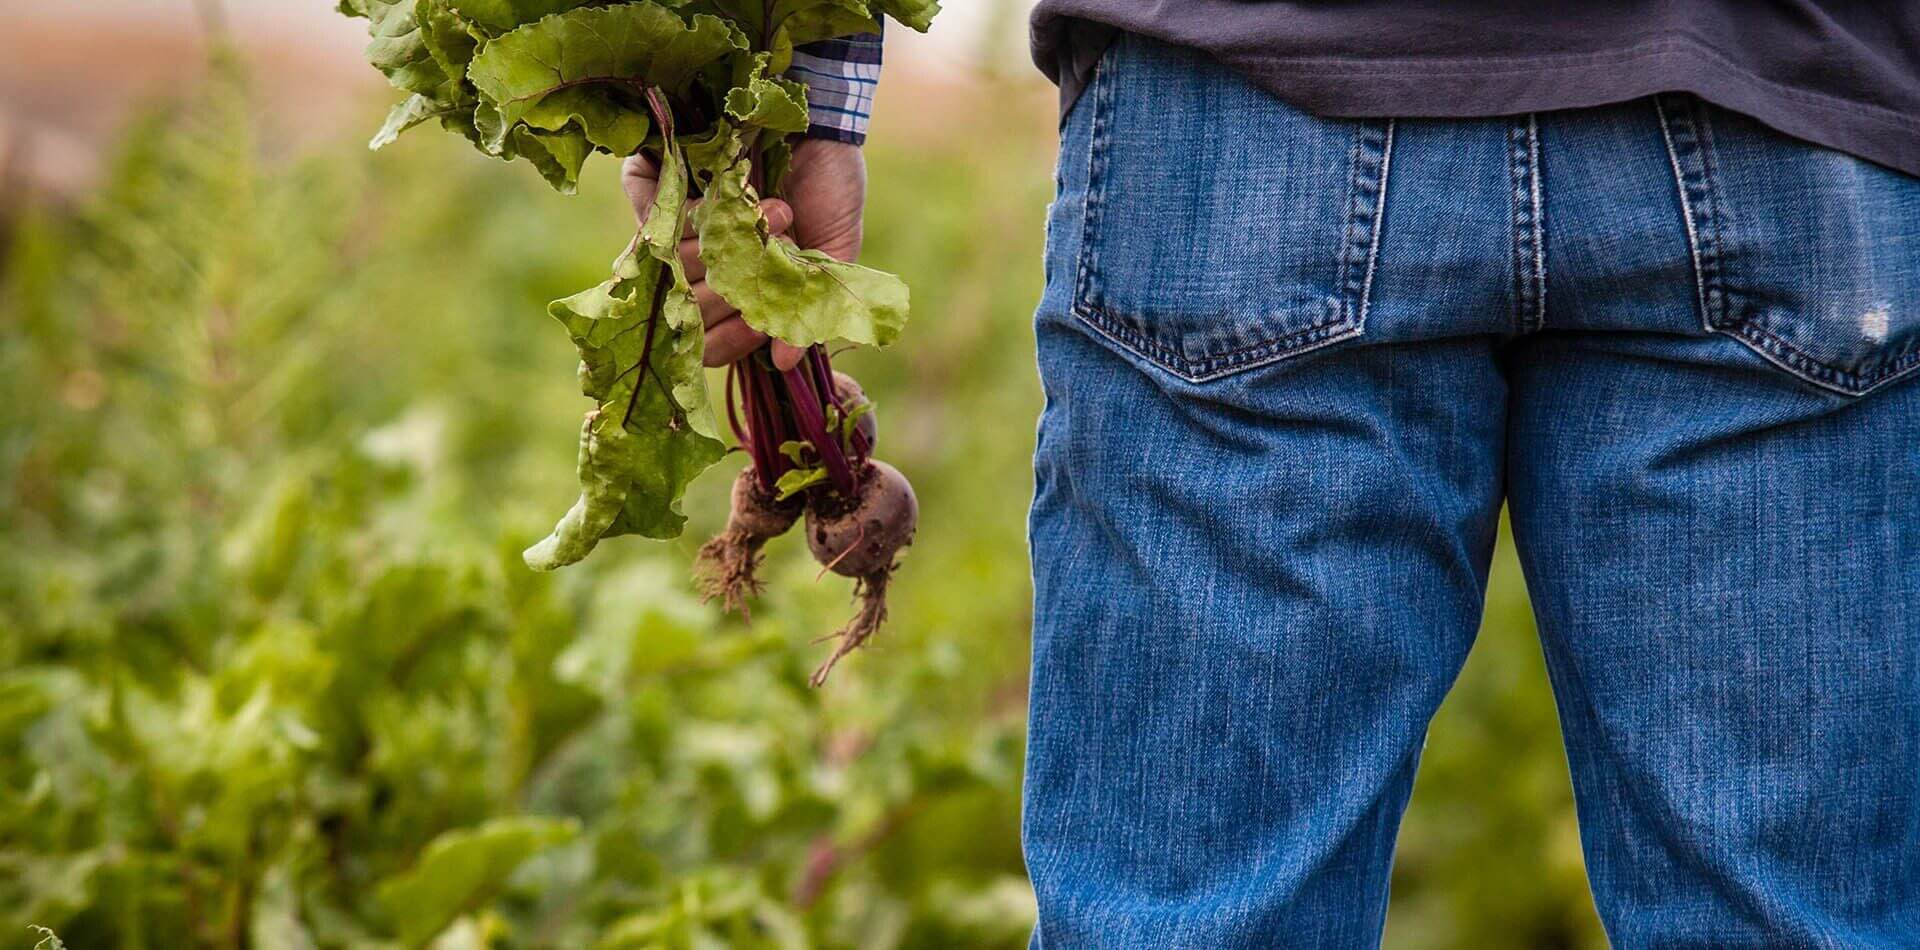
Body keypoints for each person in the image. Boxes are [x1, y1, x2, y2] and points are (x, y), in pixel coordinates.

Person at [630, 6, 1920, 946]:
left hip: (1246, 127)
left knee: (1192, 922)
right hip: (1788, 118)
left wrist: (786, 90)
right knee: (1794, 920)